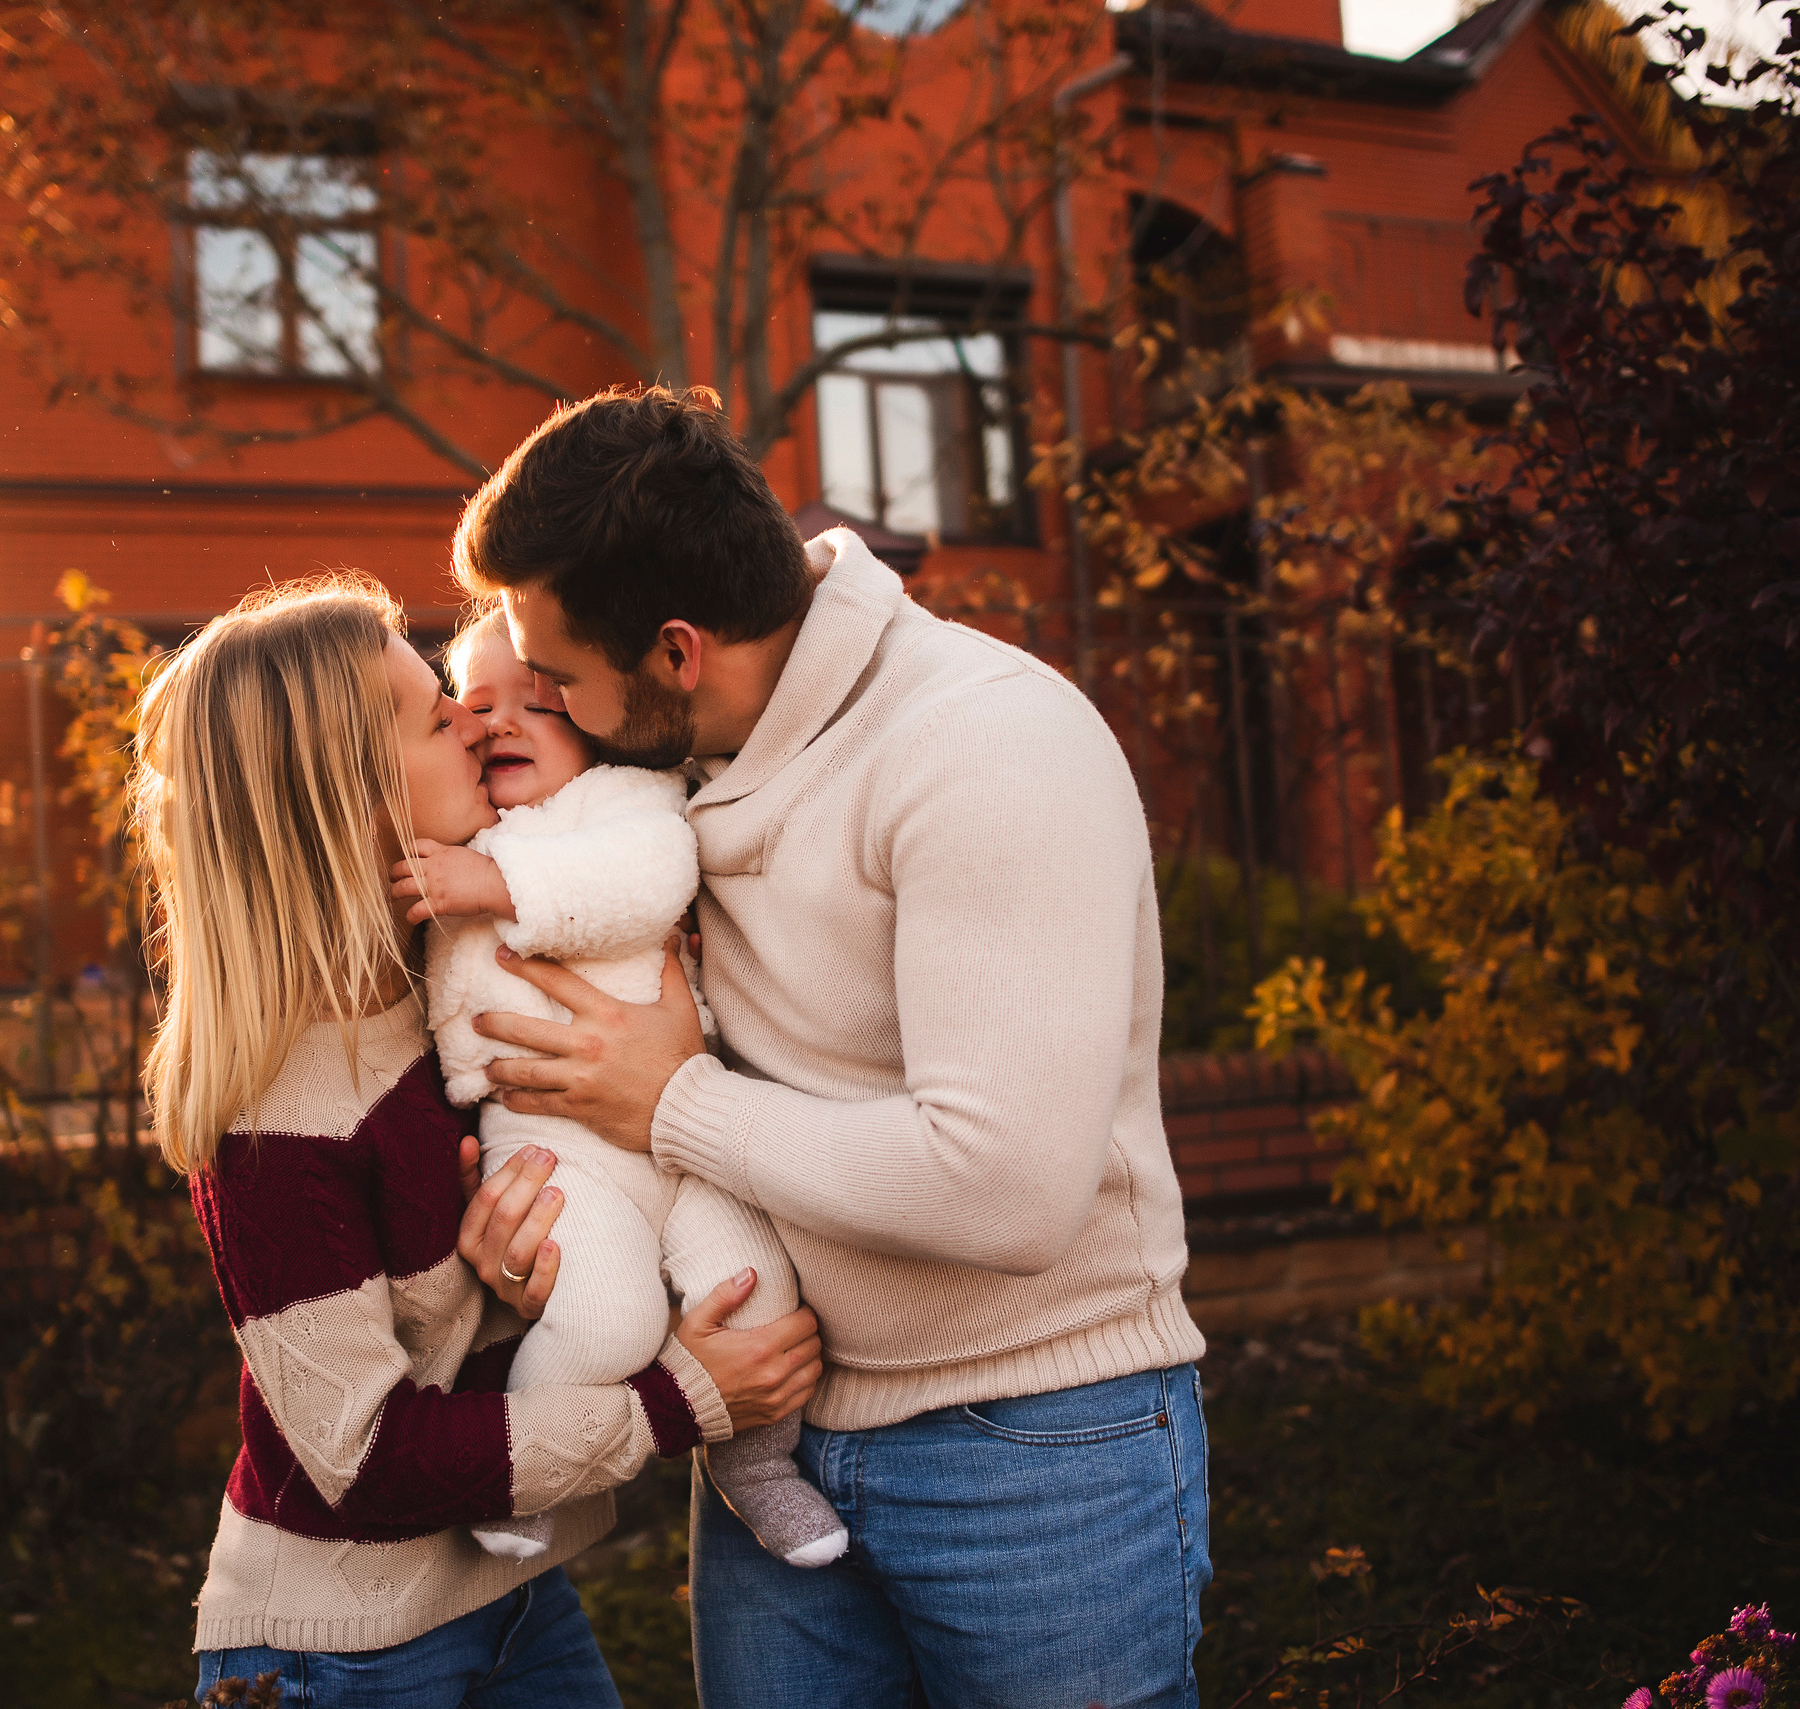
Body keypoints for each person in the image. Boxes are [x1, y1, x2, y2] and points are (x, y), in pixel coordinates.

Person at [449, 387, 1214, 1709]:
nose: (547, 709)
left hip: (1030, 1444)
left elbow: (1005, 1185)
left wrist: (671, 1106)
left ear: (680, 651)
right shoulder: (680, 761)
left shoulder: (983, 746)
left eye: (563, 678)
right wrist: (547, 1220)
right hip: (771, 1421)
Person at [129, 574, 823, 1708]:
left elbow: (489, 1276)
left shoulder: (437, 983)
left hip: (507, 1593)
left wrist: (506, 1277)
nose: (475, 717)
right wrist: (680, 1398)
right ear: (344, 795)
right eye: (432, 714)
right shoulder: (274, 1120)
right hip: (340, 1652)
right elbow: (367, 1457)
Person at [395, 611, 848, 1570]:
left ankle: (757, 1466)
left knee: (760, 1287)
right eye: (477, 708)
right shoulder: (464, 828)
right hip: (550, 1141)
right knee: (610, 1318)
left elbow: (648, 881)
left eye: (540, 700)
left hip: (682, 1131)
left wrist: (497, 881)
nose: (501, 723)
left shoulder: (625, 802)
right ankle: (525, 1465)